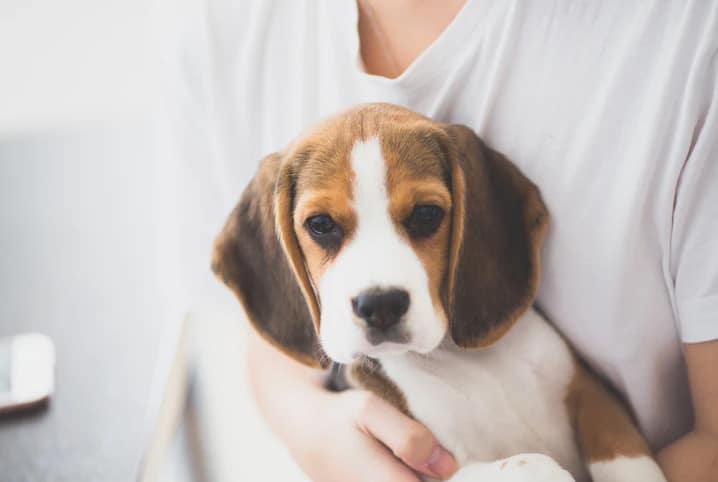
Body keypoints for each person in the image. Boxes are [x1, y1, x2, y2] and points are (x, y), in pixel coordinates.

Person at [158, 1, 718, 480]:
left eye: (424, 216)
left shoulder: (688, 37)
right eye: (323, 228)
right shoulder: (225, 30)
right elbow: (272, 347)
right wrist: (313, 430)